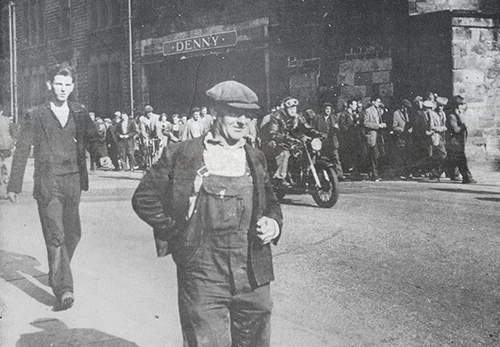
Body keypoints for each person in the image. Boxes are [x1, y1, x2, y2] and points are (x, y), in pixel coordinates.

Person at [132, 80, 283, 347]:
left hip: (252, 271)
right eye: (235, 113)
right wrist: (177, 231)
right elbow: (144, 198)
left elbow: (271, 202)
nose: (242, 121)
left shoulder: (254, 156)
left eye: (248, 116)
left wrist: (273, 223)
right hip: (203, 274)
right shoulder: (183, 153)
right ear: (215, 111)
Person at [7, 64, 110, 310]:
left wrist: (102, 155)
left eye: (67, 85)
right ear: (49, 86)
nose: (63, 89)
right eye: (58, 84)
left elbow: (93, 139)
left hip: (73, 180)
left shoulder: (79, 112)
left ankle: (57, 270)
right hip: (48, 183)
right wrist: (14, 185)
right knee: (56, 235)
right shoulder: (36, 114)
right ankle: (64, 289)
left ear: (73, 86)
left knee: (73, 233)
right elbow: (21, 151)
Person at [263, 97, 321, 186]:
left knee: (310, 150)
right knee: (285, 153)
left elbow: (307, 127)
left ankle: (306, 175)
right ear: (285, 108)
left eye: (294, 108)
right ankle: (280, 178)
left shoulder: (298, 117)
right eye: (290, 108)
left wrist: (317, 133)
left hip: (295, 142)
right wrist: (286, 137)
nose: (293, 110)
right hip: (280, 142)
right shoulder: (276, 116)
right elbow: (273, 133)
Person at [445, 95, 476, 184]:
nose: (464, 106)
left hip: (459, 142)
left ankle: (435, 173)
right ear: (457, 105)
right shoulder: (452, 116)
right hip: (454, 142)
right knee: (462, 160)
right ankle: (467, 178)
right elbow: (456, 130)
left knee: (450, 159)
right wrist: (463, 126)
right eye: (462, 104)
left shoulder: (458, 115)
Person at [311, 102, 343, 179]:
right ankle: (319, 174)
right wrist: (319, 134)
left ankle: (339, 174)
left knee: (335, 157)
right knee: (320, 157)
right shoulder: (317, 118)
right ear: (323, 109)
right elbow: (312, 129)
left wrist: (336, 129)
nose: (328, 110)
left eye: (329, 109)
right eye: (326, 109)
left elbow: (338, 129)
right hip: (320, 140)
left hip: (332, 140)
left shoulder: (333, 117)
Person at [361, 96, 387, 181]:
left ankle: (377, 172)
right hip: (372, 135)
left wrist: (382, 124)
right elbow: (366, 123)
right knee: (374, 155)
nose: (379, 103)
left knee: (382, 154)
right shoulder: (368, 111)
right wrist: (377, 126)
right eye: (377, 102)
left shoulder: (379, 111)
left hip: (379, 135)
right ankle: (374, 175)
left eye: (379, 102)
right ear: (373, 102)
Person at [427, 97, 448, 180]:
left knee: (438, 156)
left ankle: (434, 173)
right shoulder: (433, 114)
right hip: (436, 136)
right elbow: (431, 127)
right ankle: (435, 173)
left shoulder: (443, 114)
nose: (440, 108)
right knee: (443, 155)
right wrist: (442, 128)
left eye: (442, 106)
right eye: (439, 106)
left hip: (443, 137)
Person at [392, 99, 413, 178]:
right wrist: (402, 130)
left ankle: (406, 172)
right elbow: (394, 126)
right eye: (406, 107)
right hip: (400, 137)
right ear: (402, 106)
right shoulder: (396, 114)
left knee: (406, 155)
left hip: (407, 137)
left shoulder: (407, 114)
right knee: (400, 155)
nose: (406, 109)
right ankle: (399, 172)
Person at [0, 109, 16, 199]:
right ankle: (5, 178)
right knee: (4, 163)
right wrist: (12, 142)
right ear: (1, 111)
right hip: (7, 145)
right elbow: (13, 132)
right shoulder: (6, 119)